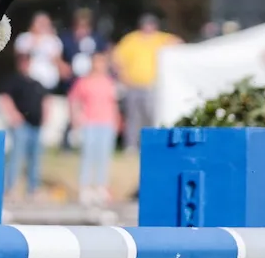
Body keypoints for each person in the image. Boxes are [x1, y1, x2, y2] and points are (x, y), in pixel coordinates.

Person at [112, 13, 182, 149]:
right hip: (133, 85)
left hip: (152, 86)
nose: (148, 28)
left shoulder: (160, 38)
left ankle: (150, 145)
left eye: (151, 25)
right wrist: (123, 77)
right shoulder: (131, 39)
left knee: (151, 117)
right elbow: (117, 59)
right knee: (133, 118)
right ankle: (131, 146)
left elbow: (179, 43)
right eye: (146, 25)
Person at [67, 51, 122, 205]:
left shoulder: (109, 82)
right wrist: (76, 119)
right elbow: (74, 100)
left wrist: (116, 121)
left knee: (103, 156)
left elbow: (114, 103)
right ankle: (85, 188)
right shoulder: (84, 82)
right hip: (89, 123)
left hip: (106, 123)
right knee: (88, 156)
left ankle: (101, 187)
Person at [14, 12, 69, 149]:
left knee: (41, 118)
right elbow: (21, 61)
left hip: (46, 84)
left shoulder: (53, 41)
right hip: (29, 84)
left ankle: (37, 143)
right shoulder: (25, 39)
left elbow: (58, 61)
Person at [0, 57, 48, 199]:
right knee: (17, 156)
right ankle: (10, 188)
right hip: (22, 125)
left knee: (35, 158)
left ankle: (33, 189)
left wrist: (45, 116)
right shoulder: (14, 81)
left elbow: (45, 100)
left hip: (36, 125)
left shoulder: (36, 83)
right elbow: (5, 98)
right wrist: (14, 115)